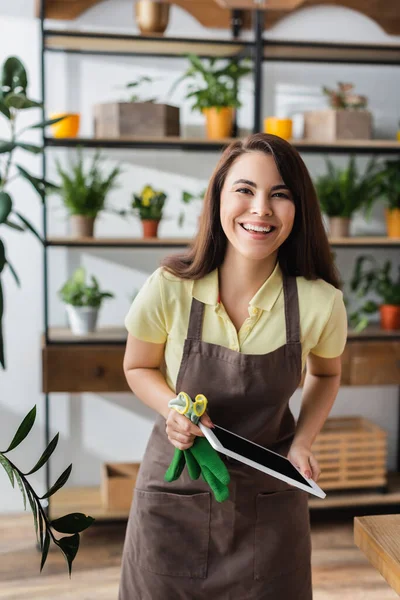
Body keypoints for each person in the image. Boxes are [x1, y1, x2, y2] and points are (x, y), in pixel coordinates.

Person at [119, 133, 347, 599]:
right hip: (177, 491)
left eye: (279, 194)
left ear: (298, 209)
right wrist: (174, 411)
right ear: (218, 198)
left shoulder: (320, 303)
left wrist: (303, 441)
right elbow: (138, 367)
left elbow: (327, 373)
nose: (260, 208)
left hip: (271, 499)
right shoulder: (169, 287)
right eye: (244, 190)